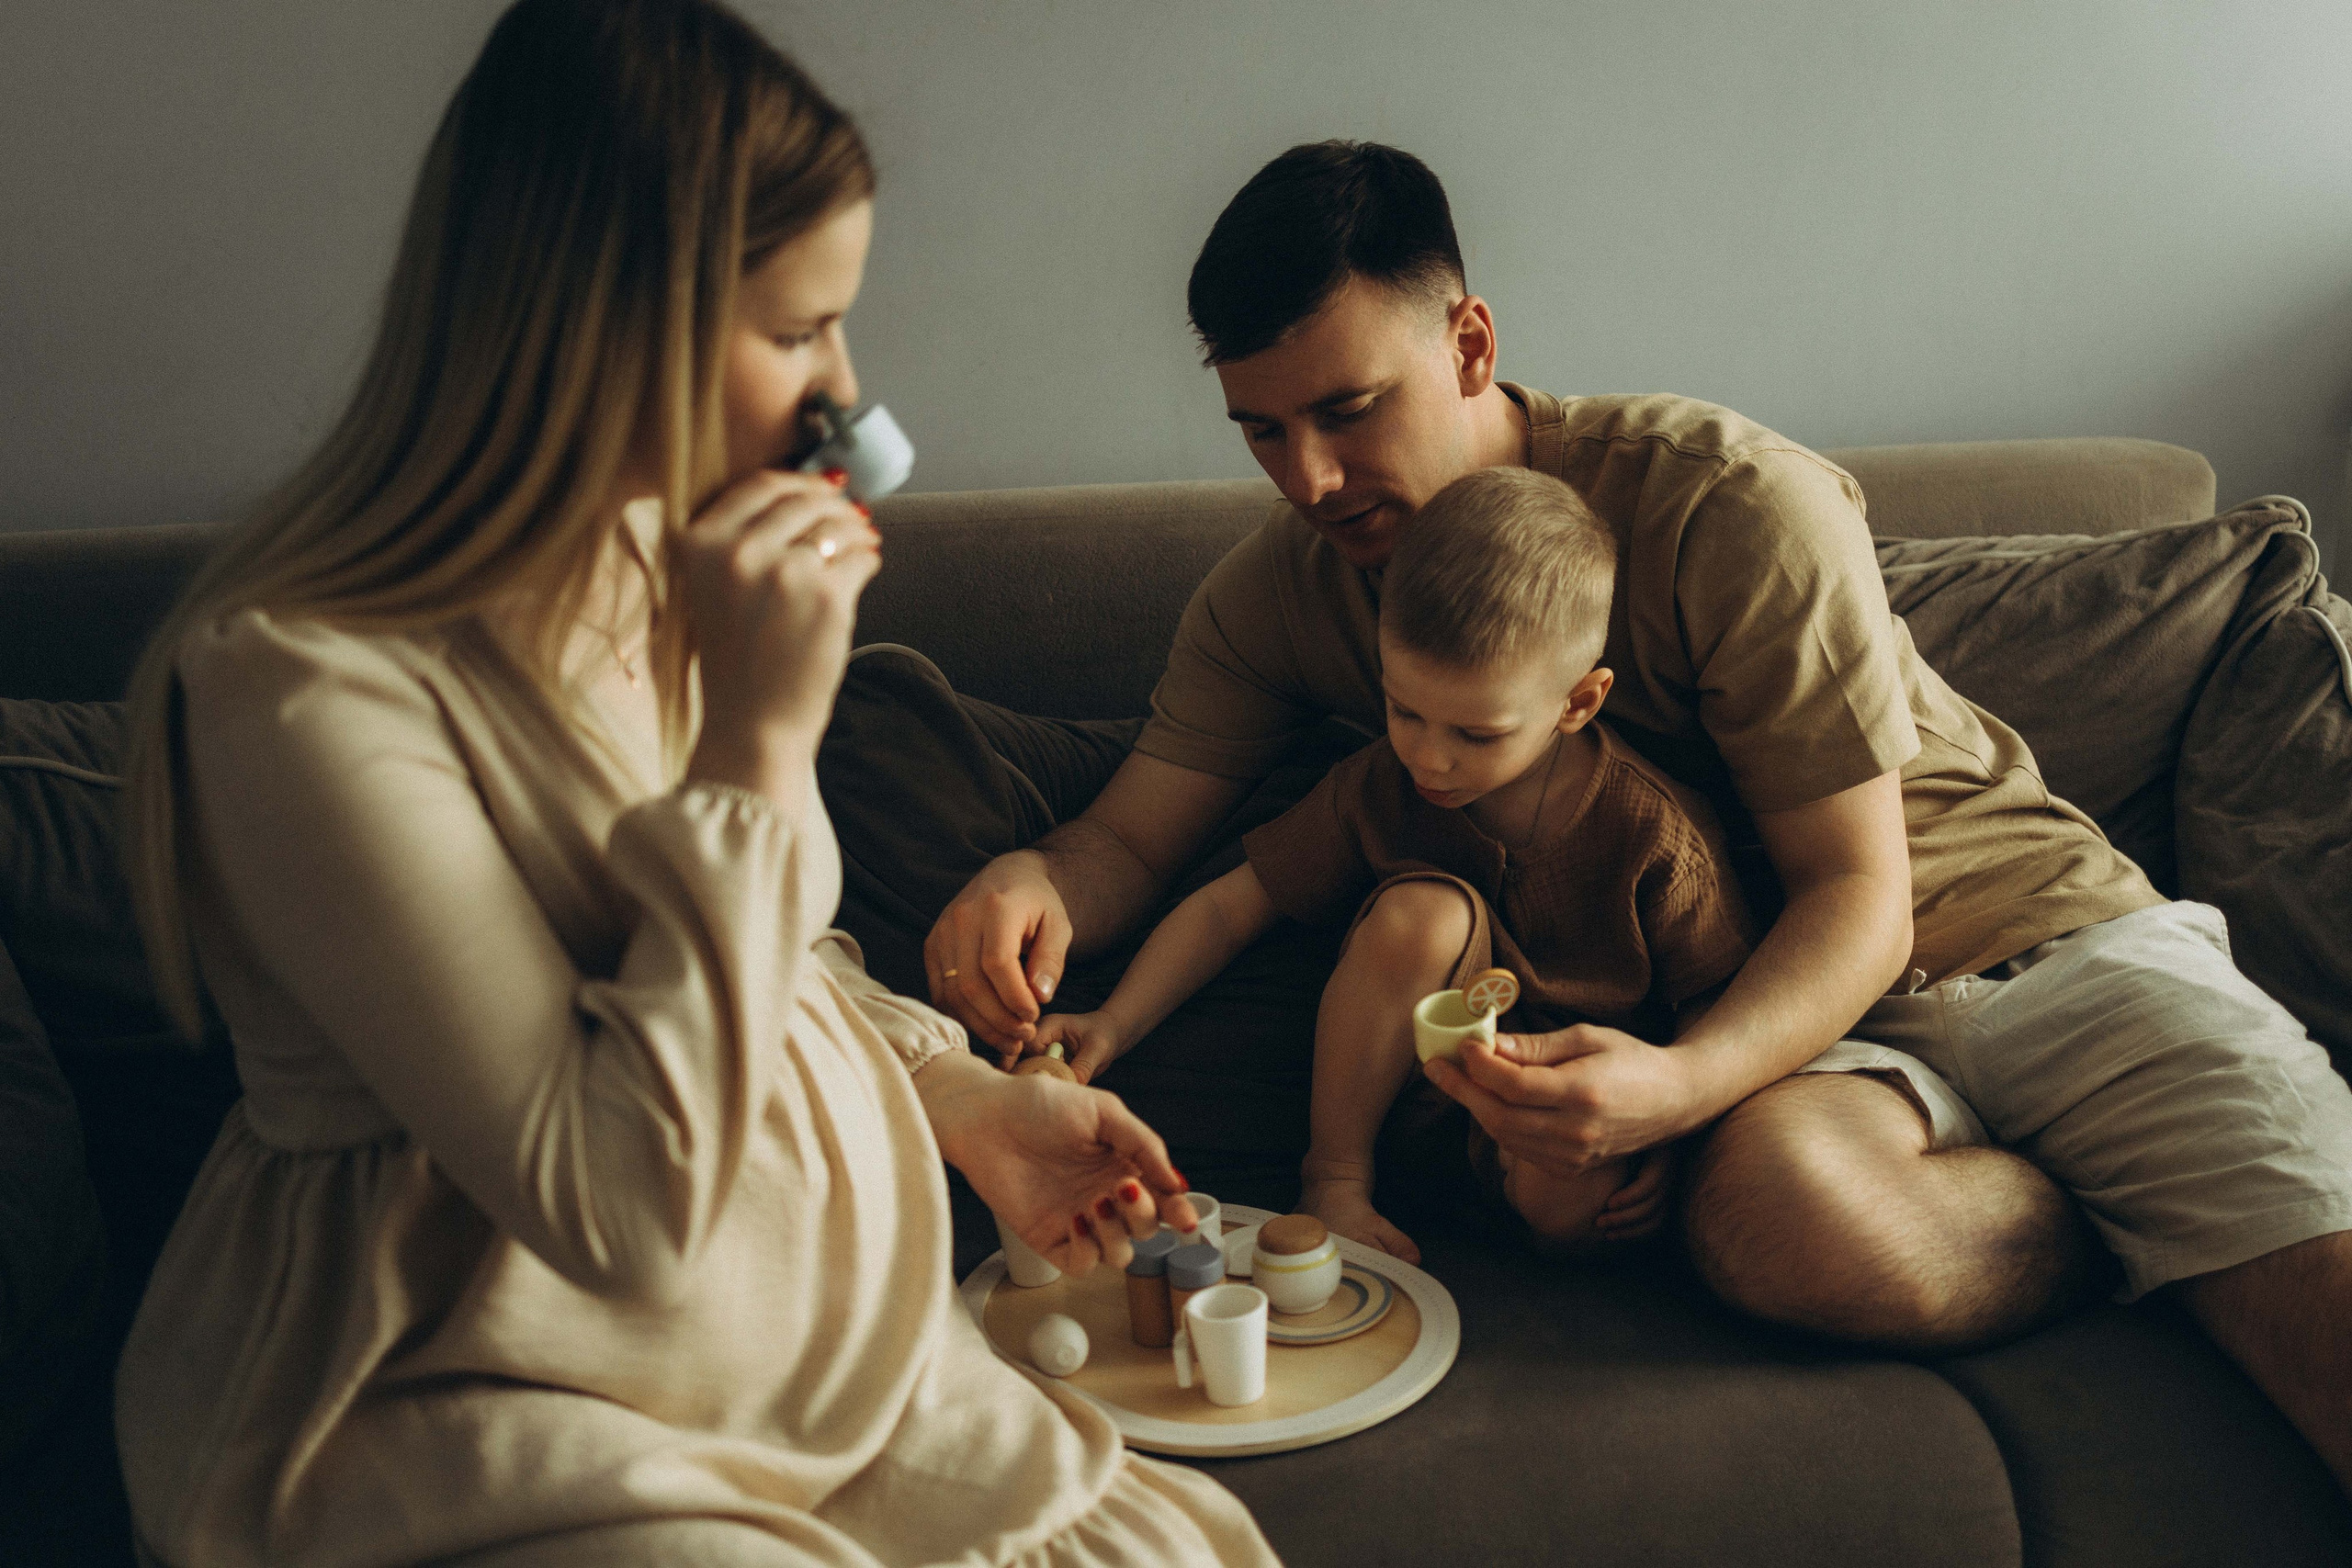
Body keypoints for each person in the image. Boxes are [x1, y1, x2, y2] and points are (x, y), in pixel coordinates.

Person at [833, 140, 2352, 1493]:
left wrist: (1676, 1085)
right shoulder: (1280, 597)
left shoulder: (1723, 503)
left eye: (1348, 411)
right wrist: (1036, 874)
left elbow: (1860, 894)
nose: (1308, 476)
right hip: (1810, 1042)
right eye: (1260, 431)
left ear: (1471, 342)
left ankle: (2182, 1211)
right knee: (1774, 1224)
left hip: (2025, 939)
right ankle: (2115, 1234)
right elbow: (1137, 842)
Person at [109, 4, 1273, 1564]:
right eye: (799, 333)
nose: (849, 407)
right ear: (613, 328)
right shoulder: (294, 692)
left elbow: (763, 971)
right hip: (477, 1411)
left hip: (811, 1393)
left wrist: (968, 1102)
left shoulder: (655, 576)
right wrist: (758, 747)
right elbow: (616, 1211)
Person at [1020, 468, 1754, 1263]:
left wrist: (1671, 1134)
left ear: (1577, 702)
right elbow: (1231, 907)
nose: (1429, 759)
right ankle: (1332, 1179)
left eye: (1476, 734)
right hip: (1401, 1114)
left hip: (1565, 1129)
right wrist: (1114, 1022)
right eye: (1405, 710)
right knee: (1425, 911)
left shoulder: (1658, 836)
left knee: (1562, 1194)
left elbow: (1714, 1010)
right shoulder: (1379, 784)